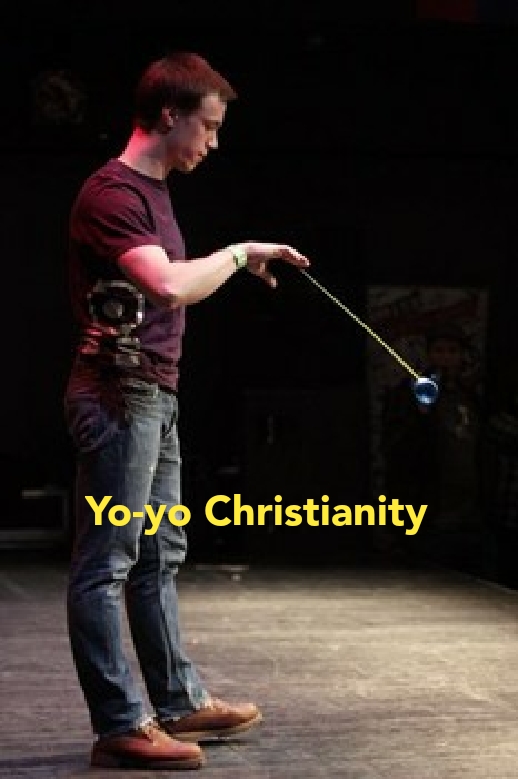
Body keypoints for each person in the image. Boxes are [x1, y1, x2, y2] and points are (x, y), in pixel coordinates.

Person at [64, 51, 310, 771]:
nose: (213, 141)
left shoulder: (155, 193)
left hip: (154, 393)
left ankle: (175, 700)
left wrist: (241, 253)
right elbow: (167, 285)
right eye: (208, 125)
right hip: (118, 395)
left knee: (158, 554)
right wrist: (236, 253)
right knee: (108, 562)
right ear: (169, 115)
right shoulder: (111, 194)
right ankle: (120, 723)